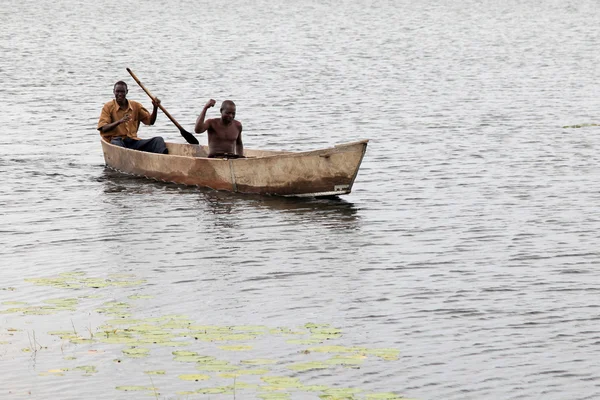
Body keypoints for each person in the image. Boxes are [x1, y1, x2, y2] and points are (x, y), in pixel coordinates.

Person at [97, 81, 168, 154]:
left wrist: (155, 108)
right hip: (117, 141)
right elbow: (103, 128)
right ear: (114, 92)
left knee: (158, 140)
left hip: (132, 141)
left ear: (126, 92)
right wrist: (119, 121)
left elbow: (150, 121)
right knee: (118, 145)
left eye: (122, 92)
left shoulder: (135, 106)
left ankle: (162, 157)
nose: (120, 94)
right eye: (117, 92)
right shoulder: (108, 107)